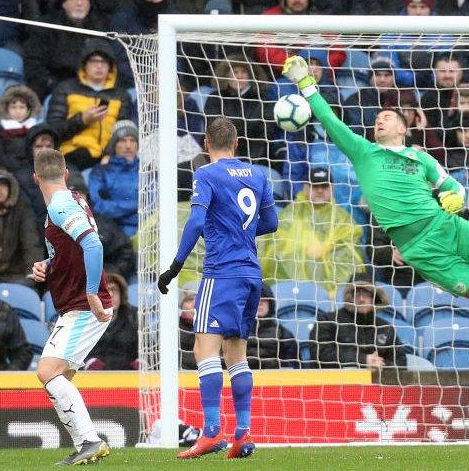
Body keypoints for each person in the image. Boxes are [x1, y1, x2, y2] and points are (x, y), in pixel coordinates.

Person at [282, 55, 469, 343]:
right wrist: (305, 83)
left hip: (445, 225)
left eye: (387, 117)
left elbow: (454, 186)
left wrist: (454, 198)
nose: (379, 121)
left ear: (403, 128)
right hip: (420, 249)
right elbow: (329, 119)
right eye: (377, 118)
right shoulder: (364, 152)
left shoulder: (421, 158)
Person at [156, 117, 279, 460]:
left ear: (206, 143)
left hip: (221, 273)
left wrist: (175, 267)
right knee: (236, 356)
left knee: (204, 349)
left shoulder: (205, 175)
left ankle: (211, 432)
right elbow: (270, 222)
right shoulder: (258, 175)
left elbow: (196, 220)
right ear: (237, 143)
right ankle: (243, 434)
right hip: (252, 275)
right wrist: (239, 232)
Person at [29, 148, 113, 465]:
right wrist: (48, 265)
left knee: (47, 371)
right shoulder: (71, 199)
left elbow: (93, 244)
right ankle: (84, 444)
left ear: (35, 178)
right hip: (77, 302)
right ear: (65, 173)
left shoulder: (62, 205)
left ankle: (90, 441)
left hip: (84, 305)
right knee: (61, 377)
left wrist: (92, 294)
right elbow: (74, 249)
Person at [260, 167, 364, 296]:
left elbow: (350, 255)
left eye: (324, 186)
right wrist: (305, 248)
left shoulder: (343, 219)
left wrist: (325, 251)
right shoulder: (289, 215)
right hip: (292, 285)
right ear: (306, 188)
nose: (319, 190)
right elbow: (275, 248)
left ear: (332, 189)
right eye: (315, 186)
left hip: (331, 285)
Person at [47, 38, 131, 170]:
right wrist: (82, 120)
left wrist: (109, 154)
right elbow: (52, 130)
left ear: (110, 67)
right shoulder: (65, 89)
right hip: (73, 156)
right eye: (94, 61)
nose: (99, 66)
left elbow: (124, 131)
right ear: (84, 64)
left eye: (104, 62)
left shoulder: (121, 95)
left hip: (109, 157)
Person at [24, 0, 107, 101]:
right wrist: (55, 86)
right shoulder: (46, 27)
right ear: (63, 3)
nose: (79, 3)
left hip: (91, 87)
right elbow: (34, 66)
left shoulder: (99, 29)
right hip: (52, 88)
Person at [204, 54, 285, 172]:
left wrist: (233, 127)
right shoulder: (215, 98)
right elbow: (214, 128)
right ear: (227, 75)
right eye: (235, 72)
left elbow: (267, 131)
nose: (240, 76)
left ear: (251, 75)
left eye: (243, 72)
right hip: (222, 156)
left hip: (258, 158)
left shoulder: (262, 99)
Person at [312, 276, 408, 369]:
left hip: (376, 382)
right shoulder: (328, 321)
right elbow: (320, 354)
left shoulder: (385, 328)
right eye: (357, 294)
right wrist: (363, 360)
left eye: (366, 294)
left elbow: (401, 363)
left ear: (374, 298)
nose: (361, 299)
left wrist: (380, 365)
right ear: (349, 298)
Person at [87, 120, 140, 236]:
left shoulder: (148, 171)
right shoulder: (100, 172)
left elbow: (153, 206)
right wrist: (136, 206)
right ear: (114, 144)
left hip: (144, 231)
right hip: (111, 233)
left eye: (132, 140)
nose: (128, 146)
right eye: (122, 140)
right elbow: (97, 206)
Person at [85, 273, 139, 370]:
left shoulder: (135, 316)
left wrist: (141, 360)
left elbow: (145, 347)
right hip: (94, 376)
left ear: (122, 294)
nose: (110, 294)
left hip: (128, 374)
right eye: (106, 291)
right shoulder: (87, 317)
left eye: (114, 289)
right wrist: (88, 362)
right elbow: (78, 351)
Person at [0, 84, 41, 171]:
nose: (18, 111)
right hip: (7, 170)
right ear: (6, 109)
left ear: (29, 109)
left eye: (22, 107)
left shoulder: (37, 130)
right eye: (13, 107)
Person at [246, 285, 297, 369]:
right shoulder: (234, 333)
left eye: (264, 299)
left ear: (271, 304)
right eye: (255, 299)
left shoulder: (284, 335)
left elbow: (292, 367)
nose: (260, 303)